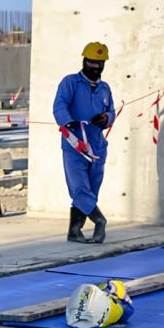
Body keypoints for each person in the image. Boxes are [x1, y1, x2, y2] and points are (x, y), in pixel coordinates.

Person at [54, 42, 115, 244]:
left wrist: (106, 118)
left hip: (97, 146)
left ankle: (74, 231)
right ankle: (100, 221)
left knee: (92, 189)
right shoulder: (70, 82)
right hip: (75, 145)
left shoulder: (105, 88)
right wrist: (68, 121)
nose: (96, 67)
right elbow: (60, 105)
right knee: (79, 187)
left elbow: (111, 111)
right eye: (92, 63)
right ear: (84, 61)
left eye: (100, 63)